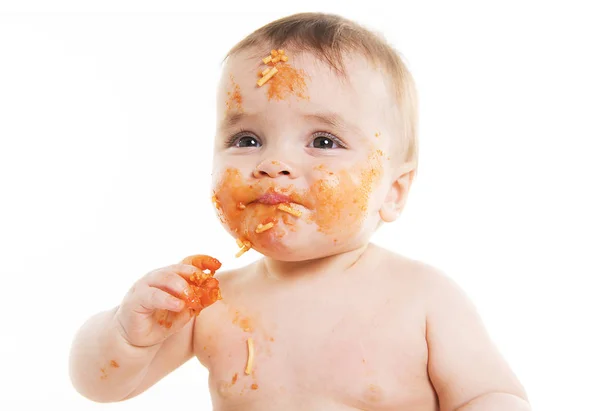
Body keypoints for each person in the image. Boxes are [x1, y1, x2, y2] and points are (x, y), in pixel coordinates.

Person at [69, 12, 530, 410]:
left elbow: (492, 395)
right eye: (246, 140)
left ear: (394, 190)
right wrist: (127, 336)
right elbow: (99, 386)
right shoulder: (213, 303)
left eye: (323, 142)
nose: (274, 164)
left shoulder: (424, 298)